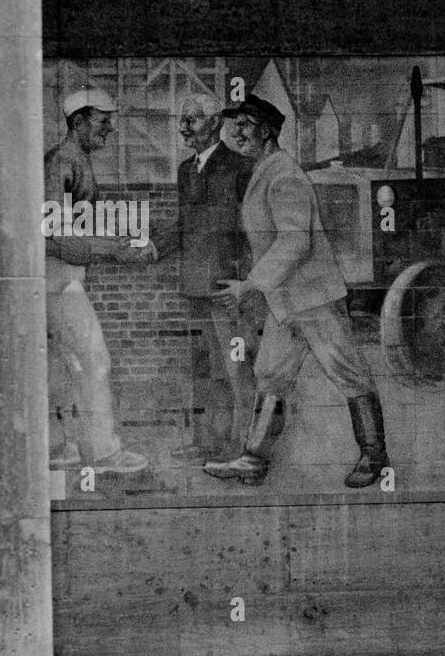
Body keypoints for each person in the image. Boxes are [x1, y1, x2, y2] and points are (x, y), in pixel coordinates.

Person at [203, 95, 389, 488]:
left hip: (313, 298)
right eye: (233, 125)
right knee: (271, 375)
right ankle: (253, 460)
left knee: (348, 372)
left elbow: (295, 241)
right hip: (286, 300)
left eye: (245, 124)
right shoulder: (266, 170)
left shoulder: (284, 175)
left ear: (267, 131)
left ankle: (374, 456)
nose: (236, 132)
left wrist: (251, 284)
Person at [44, 88, 148, 474]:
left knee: (60, 365)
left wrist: (114, 241)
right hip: (53, 278)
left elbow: (75, 228)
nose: (110, 129)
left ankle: (59, 447)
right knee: (93, 359)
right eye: (103, 122)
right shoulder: (61, 161)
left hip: (59, 277)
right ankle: (103, 453)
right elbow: (54, 234)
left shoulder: (75, 159)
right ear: (79, 122)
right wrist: (110, 249)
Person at [148, 93, 257, 463]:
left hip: (227, 288)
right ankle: (206, 441)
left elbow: (253, 230)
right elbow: (184, 223)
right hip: (194, 286)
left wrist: (248, 282)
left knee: (236, 369)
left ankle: (242, 447)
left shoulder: (241, 168)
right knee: (202, 369)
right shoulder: (186, 170)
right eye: (182, 120)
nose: (183, 127)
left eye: (191, 119)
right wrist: (154, 247)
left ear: (214, 123)